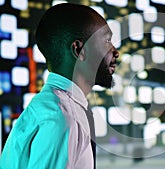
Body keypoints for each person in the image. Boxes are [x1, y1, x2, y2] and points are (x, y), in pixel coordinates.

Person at [0, 3, 119, 169]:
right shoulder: (62, 118)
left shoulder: (58, 109)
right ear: (79, 50)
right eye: (107, 40)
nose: (116, 51)